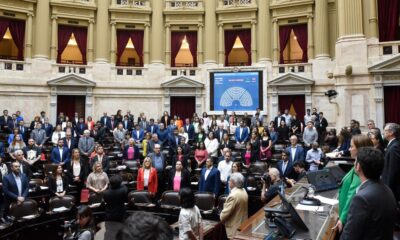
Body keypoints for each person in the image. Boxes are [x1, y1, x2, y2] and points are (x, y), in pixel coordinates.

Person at [340, 147, 397, 240]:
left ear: (358, 166)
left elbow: (348, 236)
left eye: (355, 161)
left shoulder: (361, 199)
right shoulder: (387, 189)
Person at [334, 134, 373, 233]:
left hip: (348, 221)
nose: (349, 149)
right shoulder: (357, 163)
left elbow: (352, 194)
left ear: (360, 149)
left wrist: (342, 218)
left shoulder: (359, 169)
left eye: (351, 146)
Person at [220, 172, 248, 239]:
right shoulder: (244, 190)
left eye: (229, 180)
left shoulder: (233, 196)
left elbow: (223, 216)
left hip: (234, 229)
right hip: (243, 225)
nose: (228, 182)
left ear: (233, 182)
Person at [382, 123, 400, 201]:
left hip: (392, 188)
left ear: (391, 133)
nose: (383, 132)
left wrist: (388, 189)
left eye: (385, 131)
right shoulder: (391, 144)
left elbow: (393, 170)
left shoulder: (394, 147)